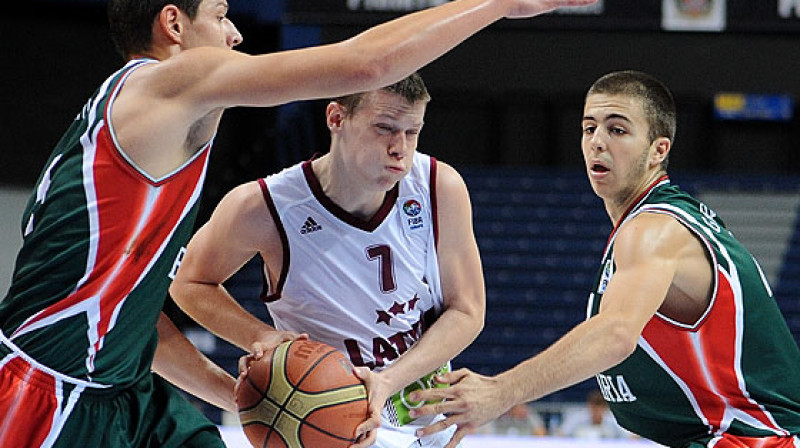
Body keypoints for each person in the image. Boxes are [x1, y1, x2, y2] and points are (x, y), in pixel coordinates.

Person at [0, 0, 597, 447]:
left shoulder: (145, 135)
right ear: (174, 25)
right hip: (46, 392)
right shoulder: (160, 85)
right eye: (221, 13)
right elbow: (368, 64)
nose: (235, 32)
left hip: (124, 390)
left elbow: (138, 322)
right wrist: (501, 5)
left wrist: (264, 392)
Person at [407, 70, 800, 448]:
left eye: (617, 129)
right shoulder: (654, 223)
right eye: (588, 127)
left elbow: (614, 334)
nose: (597, 141)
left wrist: (500, 391)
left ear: (658, 150)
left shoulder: (652, 228)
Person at [169, 73, 484, 448]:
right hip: (329, 426)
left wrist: (388, 380)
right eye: (384, 128)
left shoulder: (438, 186)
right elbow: (188, 283)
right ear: (336, 119)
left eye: (412, 132)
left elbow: (467, 310)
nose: (400, 148)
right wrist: (260, 336)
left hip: (427, 424)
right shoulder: (263, 207)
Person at [557, 390, 630, 440]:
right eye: (594, 408)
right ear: (589, 406)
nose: (597, 412)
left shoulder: (613, 419)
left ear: (605, 408)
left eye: (600, 408)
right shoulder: (578, 417)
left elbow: (632, 437)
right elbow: (561, 434)